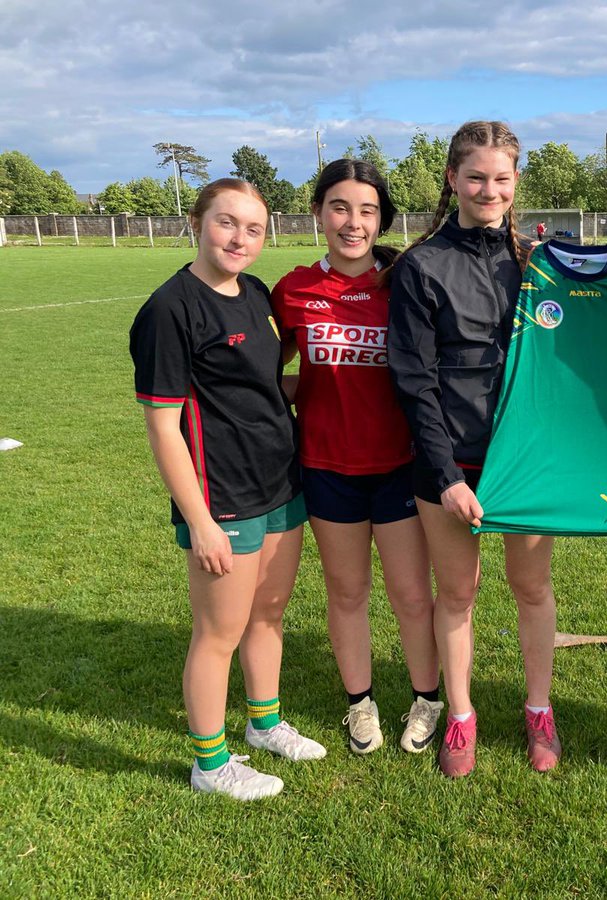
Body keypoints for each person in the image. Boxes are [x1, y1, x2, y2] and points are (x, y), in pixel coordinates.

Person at [130, 178, 325, 801]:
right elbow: (164, 426)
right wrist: (202, 520)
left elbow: (267, 389)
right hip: (223, 498)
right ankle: (209, 764)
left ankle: (264, 723)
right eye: (226, 222)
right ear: (197, 222)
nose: (240, 238)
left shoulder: (258, 294)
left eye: (253, 228)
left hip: (282, 485)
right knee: (219, 633)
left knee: (269, 614)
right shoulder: (170, 309)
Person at [387, 121, 560, 778]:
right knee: (456, 594)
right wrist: (446, 477)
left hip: (525, 464)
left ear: (516, 184)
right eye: (477, 177)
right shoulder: (421, 266)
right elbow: (413, 380)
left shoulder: (538, 264)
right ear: (454, 180)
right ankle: (460, 714)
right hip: (450, 465)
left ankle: (539, 709)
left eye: (502, 179)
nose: (490, 189)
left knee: (532, 587)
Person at [271, 160, 439, 757]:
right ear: (318, 212)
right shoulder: (293, 290)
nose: (353, 222)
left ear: (382, 220)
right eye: (340, 207)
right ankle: (359, 703)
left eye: (367, 211)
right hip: (325, 467)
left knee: (412, 594)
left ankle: (427, 698)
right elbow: (272, 372)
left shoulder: (404, 283)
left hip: (398, 466)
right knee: (346, 593)